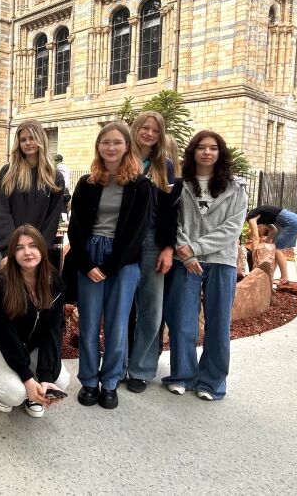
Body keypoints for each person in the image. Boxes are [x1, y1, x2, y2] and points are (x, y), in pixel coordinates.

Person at [65, 122, 151, 409]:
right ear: (98, 147)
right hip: (89, 256)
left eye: (117, 142)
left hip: (123, 260)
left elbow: (137, 232)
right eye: (105, 142)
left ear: (127, 146)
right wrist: (87, 263)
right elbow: (76, 226)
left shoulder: (140, 185)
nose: (111, 147)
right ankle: (89, 381)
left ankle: (111, 382)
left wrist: (110, 266)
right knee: (89, 323)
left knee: (117, 324)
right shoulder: (87, 183)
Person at [163, 130, 248, 401]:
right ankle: (182, 375)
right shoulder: (181, 185)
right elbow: (172, 221)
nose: (207, 152)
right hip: (185, 262)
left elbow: (232, 228)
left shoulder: (236, 188)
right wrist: (186, 252)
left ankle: (212, 382)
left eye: (213, 148)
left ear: (220, 153)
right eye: (201, 147)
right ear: (193, 151)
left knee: (219, 324)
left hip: (221, 261)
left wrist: (196, 248)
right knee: (182, 321)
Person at [0, 226, 68, 418]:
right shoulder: (0, 282)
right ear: (13, 253)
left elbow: (53, 330)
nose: (27, 252)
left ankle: (34, 394)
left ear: (42, 248)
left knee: (59, 381)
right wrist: (27, 378)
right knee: (15, 394)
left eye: (33, 245)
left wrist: (44, 377)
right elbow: (5, 334)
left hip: (32, 345)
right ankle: (4, 390)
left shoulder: (54, 281)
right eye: (20, 248)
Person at [124, 111, 178, 393]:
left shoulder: (164, 167)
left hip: (153, 240)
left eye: (155, 131)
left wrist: (168, 247)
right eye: (145, 128)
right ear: (135, 129)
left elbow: (171, 211)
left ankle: (141, 369)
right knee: (121, 306)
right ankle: (118, 363)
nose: (149, 134)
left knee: (151, 307)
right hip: (123, 241)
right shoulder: (121, 160)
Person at [0, 120, 65, 269]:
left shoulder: (54, 177)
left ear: (41, 139)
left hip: (36, 251)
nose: (28, 143)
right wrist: (9, 249)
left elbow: (53, 218)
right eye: (23, 140)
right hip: (9, 249)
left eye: (32, 138)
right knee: (7, 284)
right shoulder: (8, 172)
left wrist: (39, 248)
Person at [246, 204, 297, 283]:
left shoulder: (251, 218)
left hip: (293, 223)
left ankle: (284, 277)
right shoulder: (261, 215)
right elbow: (273, 230)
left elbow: (255, 238)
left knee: (276, 250)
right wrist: (266, 242)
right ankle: (270, 277)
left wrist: (254, 255)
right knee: (276, 251)